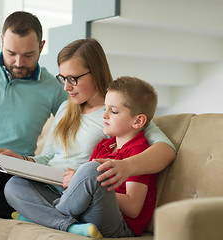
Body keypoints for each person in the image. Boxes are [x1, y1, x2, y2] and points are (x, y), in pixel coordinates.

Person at [0, 38, 176, 237]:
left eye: (72, 79)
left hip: (101, 211)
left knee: (92, 169)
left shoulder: (130, 129)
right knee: (14, 184)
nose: (66, 87)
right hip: (66, 193)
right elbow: (49, 157)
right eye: (62, 78)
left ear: (95, 73)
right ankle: (69, 226)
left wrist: (125, 167)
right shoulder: (73, 115)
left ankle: (43, 216)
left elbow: (166, 150)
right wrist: (22, 161)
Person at [0, 11, 67, 228]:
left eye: (28, 54)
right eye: (11, 53)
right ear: (1, 41)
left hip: (11, 174)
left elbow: (80, 121)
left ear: (42, 46)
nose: (19, 62)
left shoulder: (53, 88)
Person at [52, 76, 160, 238]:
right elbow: (86, 185)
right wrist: (80, 185)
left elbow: (133, 207)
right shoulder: (103, 146)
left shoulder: (139, 152)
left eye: (114, 111)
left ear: (138, 121)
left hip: (119, 224)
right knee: (17, 185)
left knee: (90, 170)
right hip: (87, 215)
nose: (104, 115)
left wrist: (84, 186)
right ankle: (66, 224)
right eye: (105, 109)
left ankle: (47, 217)